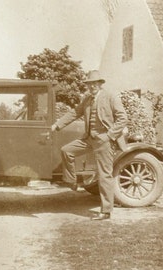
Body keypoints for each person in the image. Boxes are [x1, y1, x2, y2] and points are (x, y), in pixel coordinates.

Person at [51, 70, 128, 220]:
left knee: (105, 175)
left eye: (94, 83)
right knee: (67, 150)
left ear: (100, 84)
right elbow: (74, 113)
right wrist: (57, 125)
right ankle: (72, 182)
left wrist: (109, 136)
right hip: (88, 139)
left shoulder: (111, 97)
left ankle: (106, 211)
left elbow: (122, 118)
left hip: (104, 140)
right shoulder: (87, 99)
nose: (92, 86)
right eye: (89, 84)